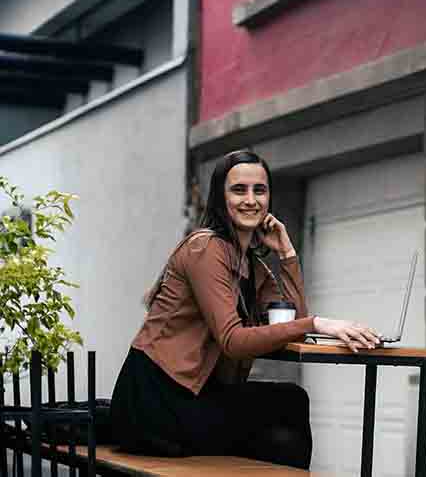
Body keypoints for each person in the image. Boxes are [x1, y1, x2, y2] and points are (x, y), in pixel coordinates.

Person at [110, 150, 380, 469]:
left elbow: (293, 317)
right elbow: (233, 340)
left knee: (289, 403)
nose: (250, 200)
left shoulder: (252, 264)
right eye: (239, 190)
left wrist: (288, 253)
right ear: (219, 198)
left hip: (195, 396)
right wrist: (318, 323)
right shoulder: (205, 248)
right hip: (155, 401)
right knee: (283, 415)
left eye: (259, 190)